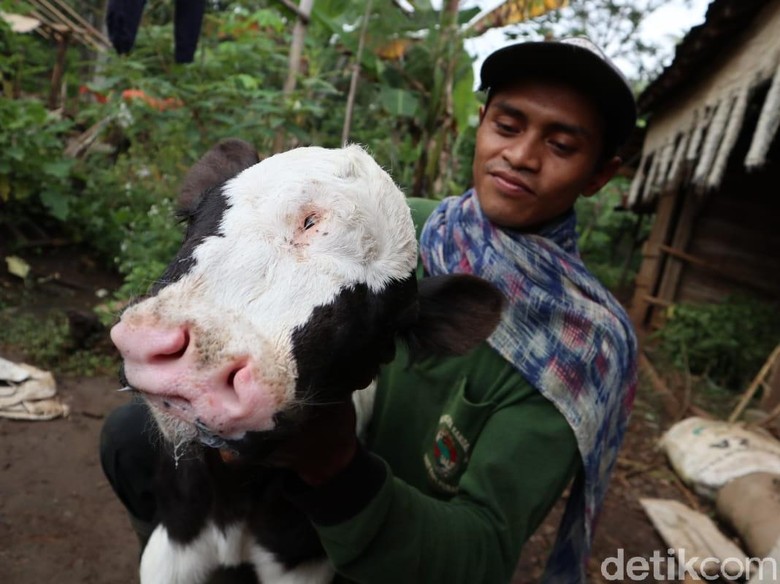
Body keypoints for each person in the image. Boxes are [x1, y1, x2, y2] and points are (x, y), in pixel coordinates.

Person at [100, 37, 638, 583]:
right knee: (129, 439)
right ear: (481, 124)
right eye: (508, 124)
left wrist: (335, 468)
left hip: (381, 534)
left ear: (599, 174)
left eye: (562, 145)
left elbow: (481, 552)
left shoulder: (582, 347)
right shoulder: (380, 222)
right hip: (265, 470)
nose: (521, 155)